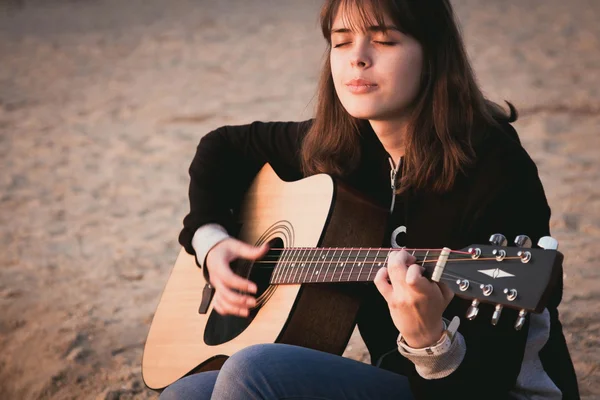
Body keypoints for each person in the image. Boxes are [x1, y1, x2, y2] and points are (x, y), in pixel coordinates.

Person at [161, 0, 580, 399]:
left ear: (433, 54)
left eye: (383, 40)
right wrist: (211, 242)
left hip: (492, 390)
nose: (356, 58)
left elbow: (483, 385)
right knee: (186, 391)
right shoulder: (344, 146)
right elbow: (222, 147)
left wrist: (428, 339)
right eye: (341, 41)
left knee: (252, 371)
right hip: (394, 376)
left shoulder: (496, 170)